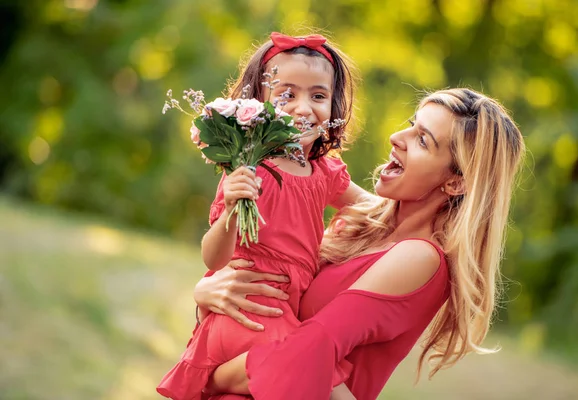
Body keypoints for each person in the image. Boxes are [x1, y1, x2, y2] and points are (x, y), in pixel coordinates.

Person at [193, 88, 526, 400]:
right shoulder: (363, 225)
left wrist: (205, 377)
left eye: (422, 141)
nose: (397, 138)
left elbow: (304, 355)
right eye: (411, 125)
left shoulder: (419, 256)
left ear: (455, 182)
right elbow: (273, 296)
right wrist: (208, 292)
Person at [156, 32, 369, 400]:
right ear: (260, 102)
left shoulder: (325, 173)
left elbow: (376, 209)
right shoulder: (249, 168)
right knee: (315, 379)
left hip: (280, 312)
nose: (304, 108)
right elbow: (213, 257)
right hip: (247, 310)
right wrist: (233, 214)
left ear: (333, 106)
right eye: (287, 95)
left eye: (318, 96)